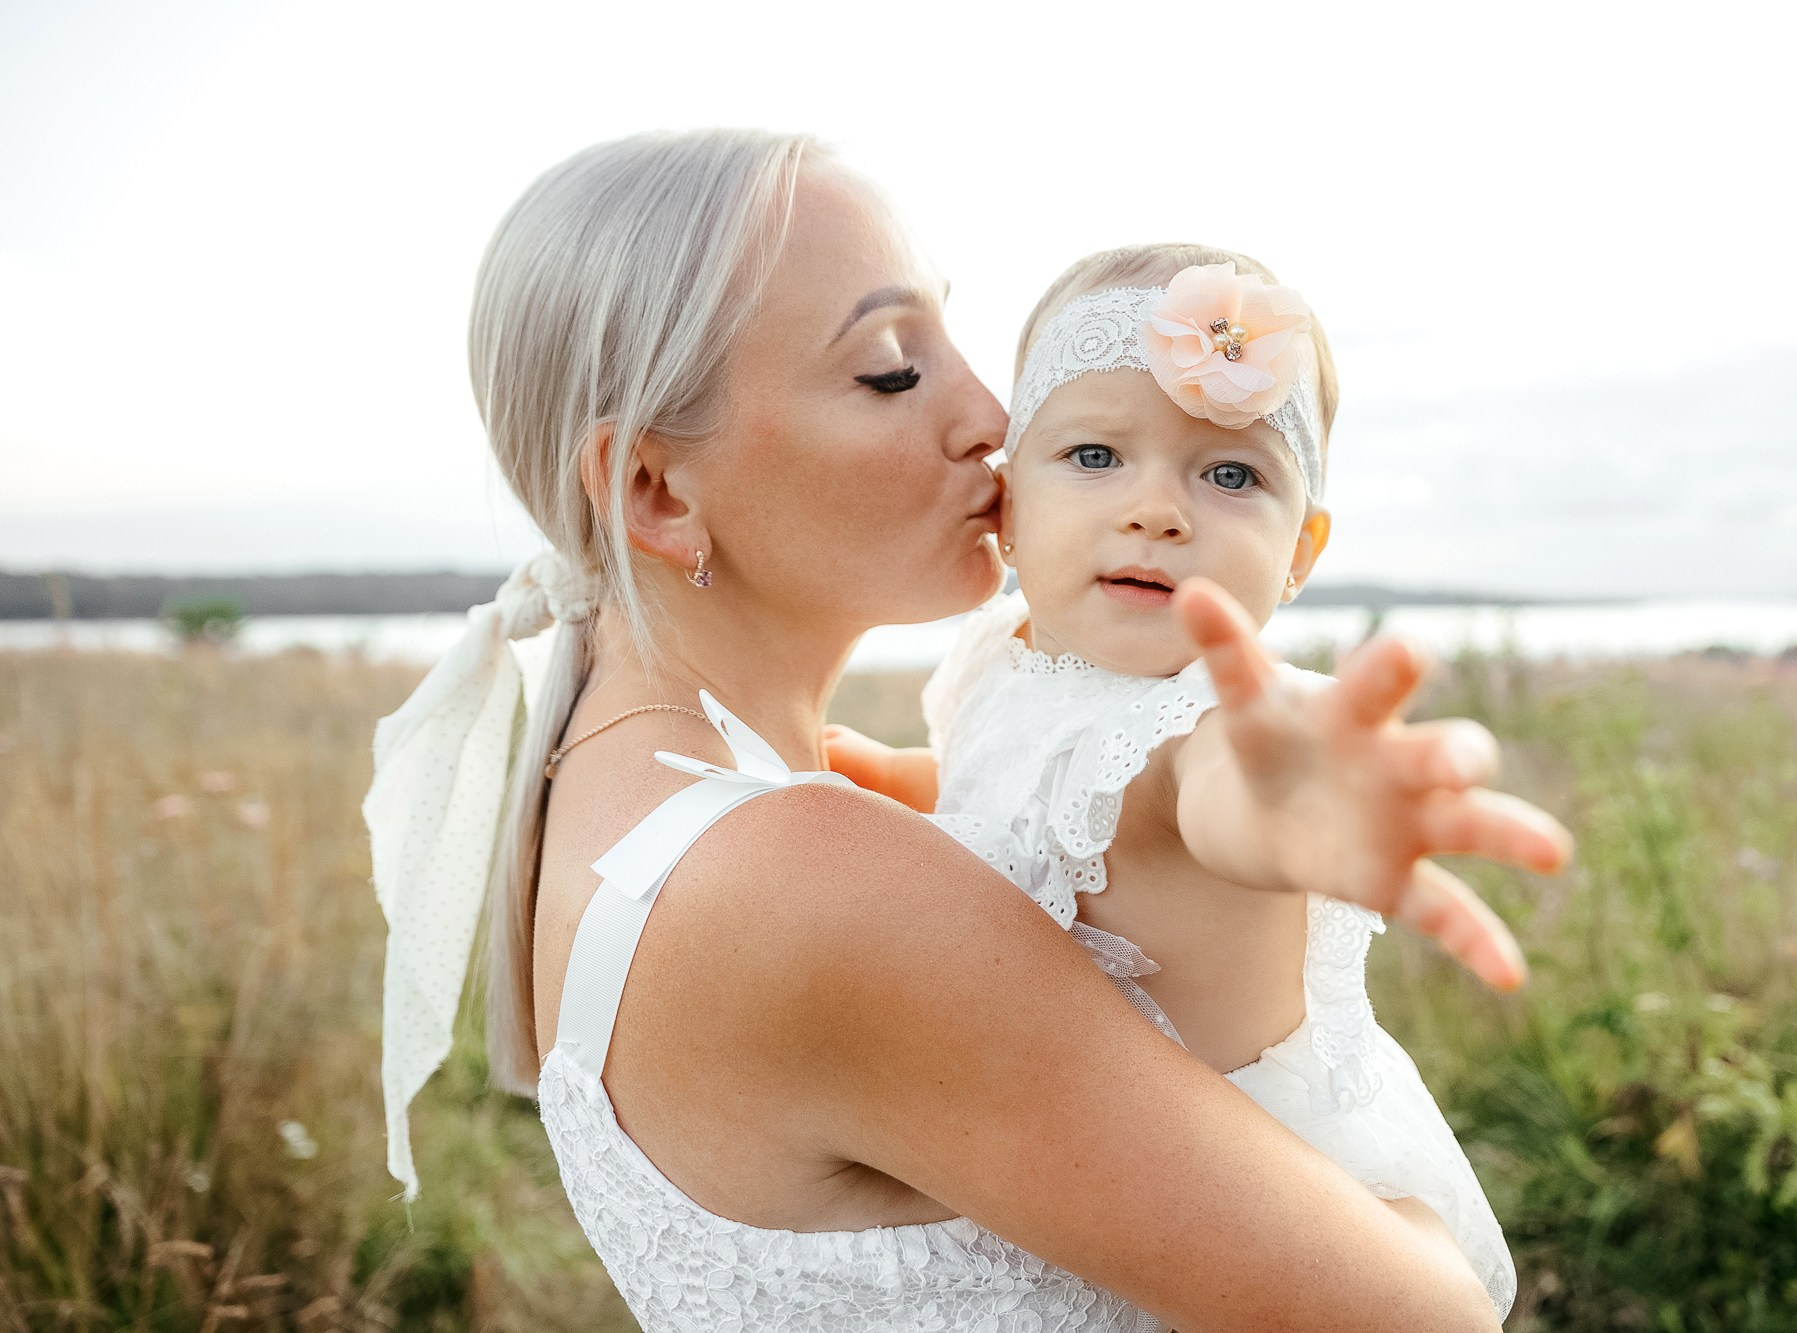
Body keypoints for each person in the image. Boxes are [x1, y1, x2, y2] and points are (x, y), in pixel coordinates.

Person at [363, 128, 1570, 1332]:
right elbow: (1427, 1319)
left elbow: (1102, 799)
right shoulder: (813, 879)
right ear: (656, 492)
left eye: (952, 338)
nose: (991, 414)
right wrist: (1408, 1230)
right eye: (891, 370)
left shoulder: (608, 772)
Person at [832, 246, 1558, 1319]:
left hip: (1244, 1215)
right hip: (1081, 1175)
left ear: (1300, 550)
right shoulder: (1010, 658)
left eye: (1230, 475)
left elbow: (1210, 801)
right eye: (1091, 455)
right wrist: (860, 775)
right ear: (1006, 504)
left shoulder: (1220, 722)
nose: (1157, 511)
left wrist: (1301, 809)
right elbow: (1004, 806)